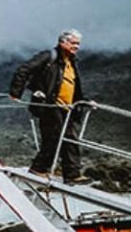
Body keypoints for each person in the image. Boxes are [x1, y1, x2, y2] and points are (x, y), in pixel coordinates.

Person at [11, 29, 93, 182]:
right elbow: (24, 70)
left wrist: (85, 100)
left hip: (68, 108)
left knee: (71, 139)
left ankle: (72, 175)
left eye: (78, 44)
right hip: (50, 105)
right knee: (53, 138)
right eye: (74, 43)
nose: (77, 47)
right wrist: (16, 92)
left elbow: (74, 86)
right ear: (63, 42)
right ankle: (38, 168)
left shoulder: (72, 61)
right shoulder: (49, 56)